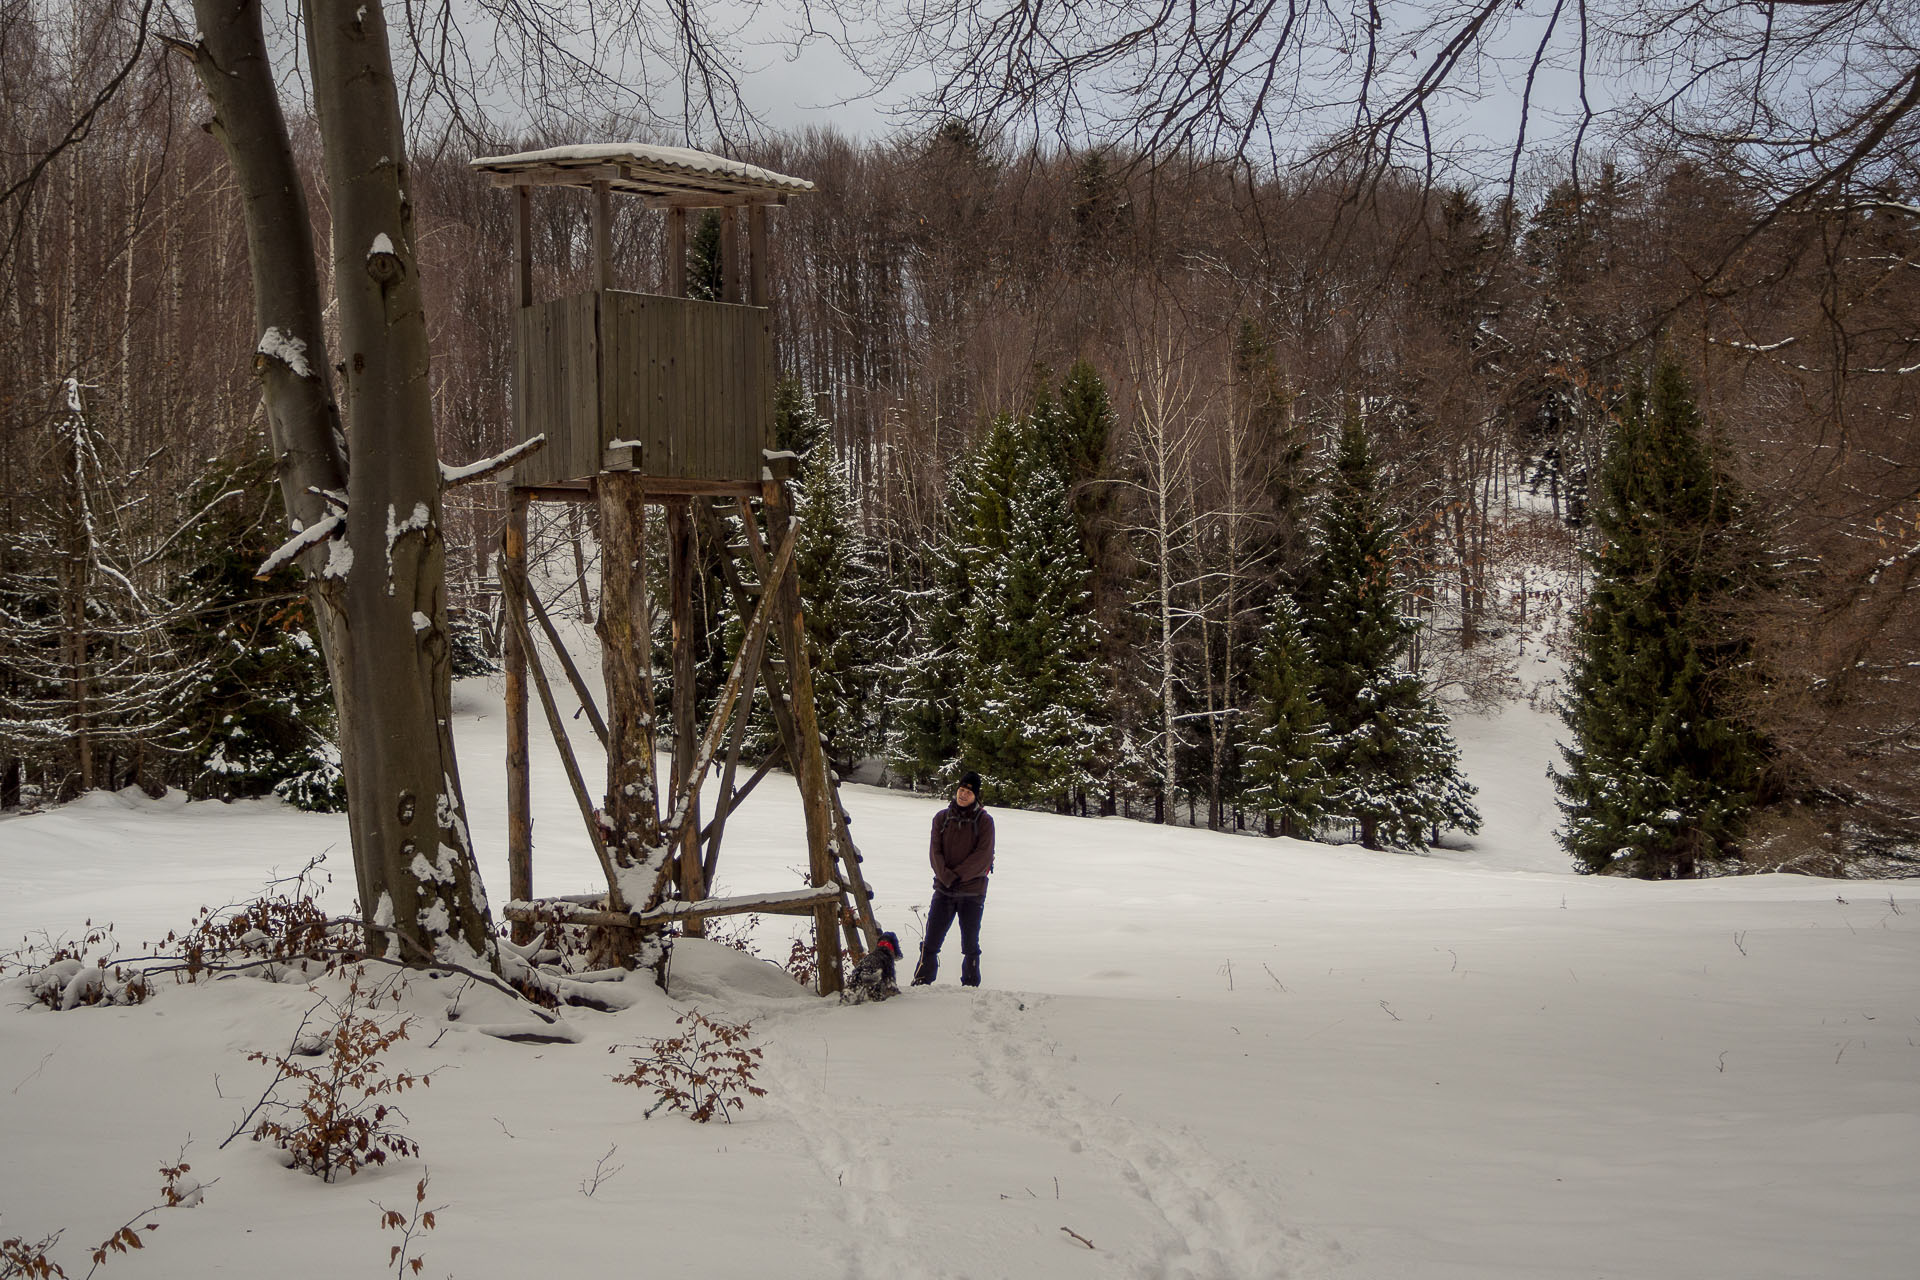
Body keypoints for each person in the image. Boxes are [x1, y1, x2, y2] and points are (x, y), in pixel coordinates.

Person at [912, 770, 995, 987]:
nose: (963, 794)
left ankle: (970, 985)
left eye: (968, 791)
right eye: (961, 790)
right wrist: (946, 877)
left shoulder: (985, 821)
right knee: (931, 940)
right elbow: (934, 852)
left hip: (972, 892)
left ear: (976, 795)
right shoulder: (942, 818)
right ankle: (922, 980)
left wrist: (957, 876)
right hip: (944, 889)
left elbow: (983, 856)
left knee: (970, 944)